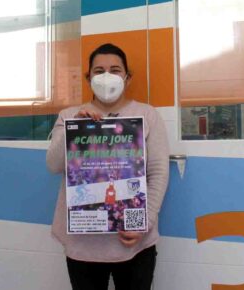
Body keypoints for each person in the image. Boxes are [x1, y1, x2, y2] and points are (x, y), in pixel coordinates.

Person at [46, 43, 170, 290]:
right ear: (88, 78)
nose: (106, 76)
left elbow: (158, 172)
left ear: (127, 77)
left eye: (115, 70)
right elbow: (53, 165)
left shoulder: (147, 115)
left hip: (134, 242)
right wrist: (74, 129)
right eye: (99, 71)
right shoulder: (69, 115)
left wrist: (144, 222)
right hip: (82, 244)